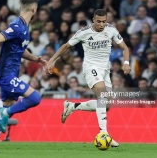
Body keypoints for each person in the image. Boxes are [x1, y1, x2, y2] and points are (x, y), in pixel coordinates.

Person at [46, 9, 131, 147]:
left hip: (105, 70)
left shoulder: (111, 30)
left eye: (104, 21)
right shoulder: (84, 32)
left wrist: (126, 63)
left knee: (106, 105)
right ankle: (104, 134)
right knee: (102, 97)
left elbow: (125, 48)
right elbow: (66, 46)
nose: (101, 24)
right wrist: (51, 60)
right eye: (98, 21)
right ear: (93, 20)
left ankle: (72, 106)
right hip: (91, 68)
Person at [0, 0, 47, 153]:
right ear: (34, 8)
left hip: (11, 74)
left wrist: (36, 59)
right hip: (5, 74)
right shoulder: (17, 25)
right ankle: (5, 113)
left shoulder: (24, 27)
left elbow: (20, 50)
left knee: (8, 108)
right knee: (35, 98)